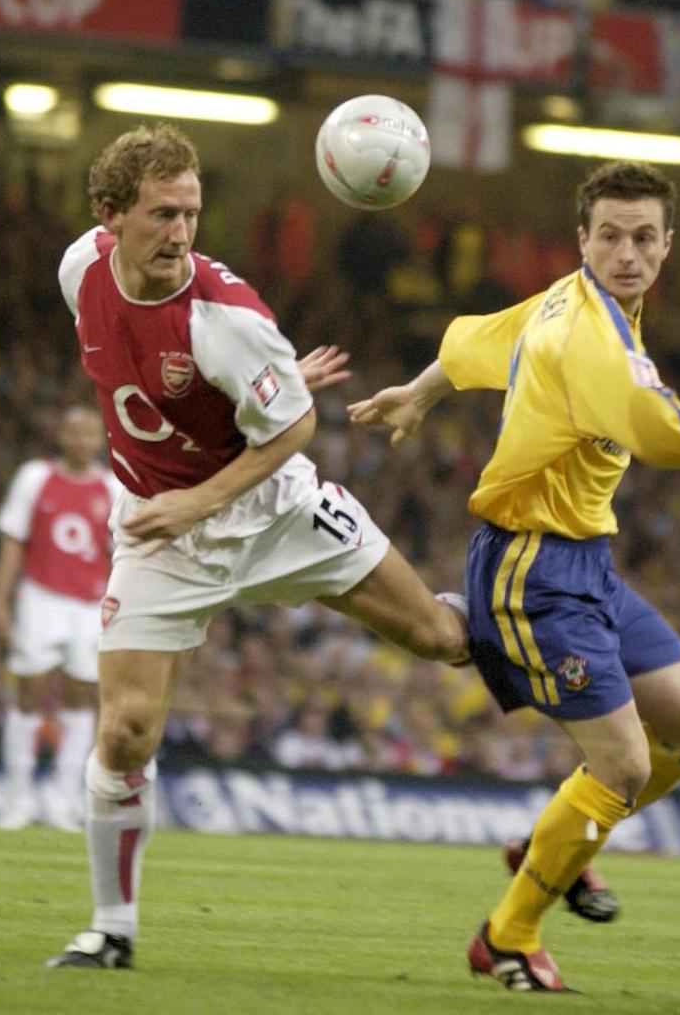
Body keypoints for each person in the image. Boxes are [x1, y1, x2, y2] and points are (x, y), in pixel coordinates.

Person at [348, 160, 680, 992]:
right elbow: (668, 432)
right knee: (625, 768)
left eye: (644, 237)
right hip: (531, 563)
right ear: (584, 239)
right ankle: (507, 937)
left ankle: (548, 850)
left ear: (668, 245)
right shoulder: (590, 334)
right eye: (611, 235)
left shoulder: (570, 299)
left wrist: (420, 395)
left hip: (586, 559)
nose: (627, 252)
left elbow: (474, 341)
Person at [45, 123, 468, 970]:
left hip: (277, 516)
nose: (180, 234)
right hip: (164, 535)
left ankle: (513, 604)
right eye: (162, 214)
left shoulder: (224, 317)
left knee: (440, 641)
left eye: (192, 214)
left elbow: (297, 427)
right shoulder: (78, 269)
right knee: (125, 730)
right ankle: (112, 929)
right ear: (109, 215)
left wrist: (255, 395)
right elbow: (139, 374)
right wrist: (244, 395)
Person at [0, 405, 121, 832]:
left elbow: (122, 553)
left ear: (99, 440)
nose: (81, 440)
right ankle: (18, 799)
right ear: (61, 437)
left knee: (82, 698)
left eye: (89, 433)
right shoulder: (34, 477)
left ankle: (63, 800)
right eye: (74, 432)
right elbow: (13, 541)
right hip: (40, 596)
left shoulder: (112, 487)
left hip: (89, 602)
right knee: (29, 692)